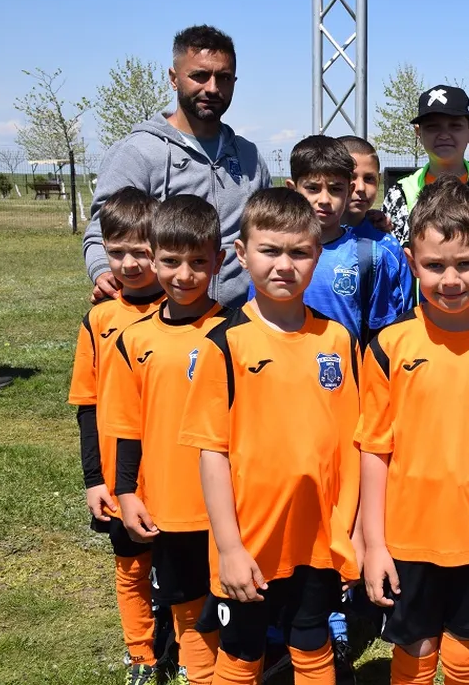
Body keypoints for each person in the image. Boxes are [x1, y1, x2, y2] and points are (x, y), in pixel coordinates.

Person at [178, 187, 362, 685]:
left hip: (320, 537)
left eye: (299, 252)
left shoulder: (339, 341)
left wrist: (357, 531)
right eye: (270, 250)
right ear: (242, 254)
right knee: (241, 651)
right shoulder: (224, 345)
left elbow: (354, 443)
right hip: (250, 540)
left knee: (313, 641)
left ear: (317, 254)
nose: (284, 265)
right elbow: (212, 454)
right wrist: (229, 549)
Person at [358, 176, 469, 685]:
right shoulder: (389, 345)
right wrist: (374, 544)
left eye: (466, 263)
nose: (451, 279)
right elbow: (373, 451)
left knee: (465, 657)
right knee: (414, 655)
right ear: (412, 262)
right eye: (435, 266)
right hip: (408, 538)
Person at [101, 195, 229, 685]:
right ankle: (200, 674)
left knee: (231, 598)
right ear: (154, 260)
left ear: (218, 260)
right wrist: (126, 492)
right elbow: (125, 427)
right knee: (184, 598)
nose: (185, 274)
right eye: (172, 261)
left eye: (198, 262)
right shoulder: (132, 340)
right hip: (170, 503)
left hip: (230, 503)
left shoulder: (235, 330)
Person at [84, 24, 271, 308]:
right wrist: (103, 272)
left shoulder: (248, 156)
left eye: (223, 78)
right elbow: (102, 229)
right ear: (174, 79)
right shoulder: (139, 152)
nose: (212, 88)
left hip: (235, 321)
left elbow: (272, 231)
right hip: (159, 320)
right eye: (199, 76)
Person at [68, 187, 165, 685]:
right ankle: (141, 653)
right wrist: (94, 479)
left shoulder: (189, 313)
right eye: (117, 251)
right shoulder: (99, 319)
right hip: (118, 475)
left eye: (141, 252)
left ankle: (188, 651)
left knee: (183, 570)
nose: (129, 264)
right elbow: (86, 406)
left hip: (176, 475)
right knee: (131, 568)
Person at [250, 135, 413, 349]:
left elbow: (384, 335)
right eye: (313, 188)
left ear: (348, 191)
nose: (324, 200)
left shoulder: (372, 255)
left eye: (335, 189)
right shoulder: (268, 254)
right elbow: (253, 320)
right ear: (293, 188)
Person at [380, 85, 469, 246]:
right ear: (418, 132)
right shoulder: (400, 193)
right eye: (433, 127)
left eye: (455, 126)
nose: (444, 135)